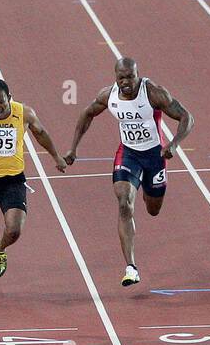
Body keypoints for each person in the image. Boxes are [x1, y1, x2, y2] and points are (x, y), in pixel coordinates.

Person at [63, 57, 193, 286]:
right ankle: (131, 267)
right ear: (116, 78)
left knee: (153, 209)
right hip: (128, 154)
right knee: (124, 202)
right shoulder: (109, 95)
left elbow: (187, 117)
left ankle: (146, 188)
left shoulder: (153, 93)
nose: (126, 82)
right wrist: (73, 148)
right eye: (121, 78)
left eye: (130, 77)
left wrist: (173, 144)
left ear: (137, 75)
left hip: (155, 156)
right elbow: (87, 113)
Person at [0, 79, 66, 297]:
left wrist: (56, 156)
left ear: (10, 98)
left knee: (14, 230)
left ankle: (0, 248)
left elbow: (41, 133)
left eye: (1, 103)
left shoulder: (23, 112)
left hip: (13, 181)